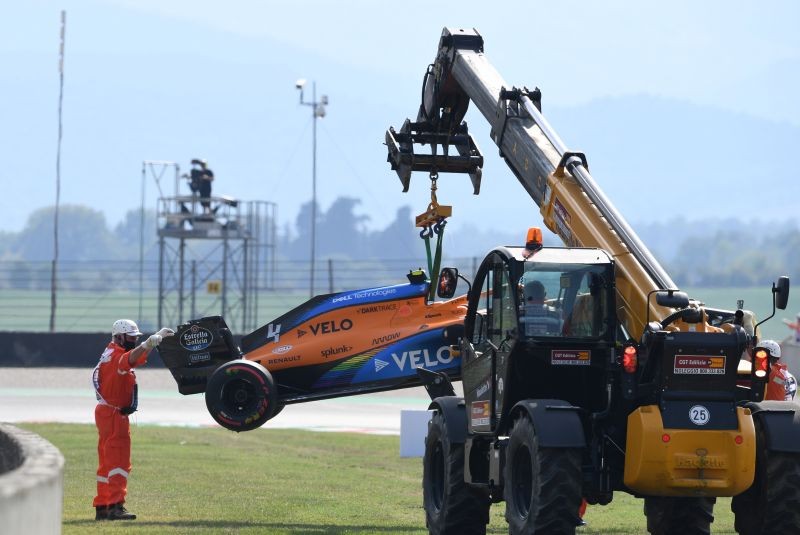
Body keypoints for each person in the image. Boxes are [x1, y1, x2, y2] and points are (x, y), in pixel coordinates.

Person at [92, 319, 174, 521]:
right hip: (114, 415)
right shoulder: (118, 357)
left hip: (106, 412)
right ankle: (115, 506)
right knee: (118, 462)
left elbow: (134, 358)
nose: (133, 341)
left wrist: (153, 342)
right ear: (119, 336)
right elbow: (129, 359)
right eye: (130, 337)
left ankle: (102, 506)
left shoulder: (110, 352)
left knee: (105, 462)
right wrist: (148, 343)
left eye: (136, 338)